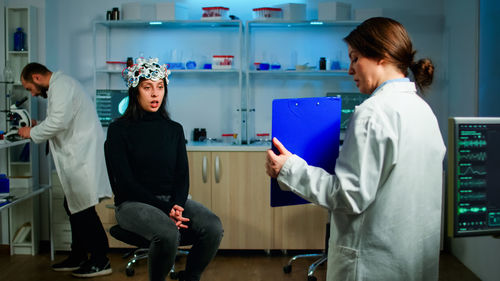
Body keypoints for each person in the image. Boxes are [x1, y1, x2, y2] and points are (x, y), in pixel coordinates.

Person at [266, 17, 446, 281]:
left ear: (382, 56)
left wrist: (289, 169)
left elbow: (348, 196)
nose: (350, 69)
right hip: (412, 262)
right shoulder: (424, 111)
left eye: (355, 58)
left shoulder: (374, 112)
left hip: (372, 265)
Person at [105, 57, 223, 281]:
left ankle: (190, 277)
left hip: (171, 201)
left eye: (160, 87)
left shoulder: (174, 130)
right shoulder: (118, 130)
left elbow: (182, 175)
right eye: (147, 87)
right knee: (168, 233)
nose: (154, 94)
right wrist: (166, 208)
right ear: (135, 90)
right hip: (132, 203)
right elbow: (126, 183)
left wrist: (176, 204)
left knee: (213, 226)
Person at [18, 63, 113, 277]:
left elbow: (58, 122)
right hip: (79, 155)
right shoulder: (61, 86)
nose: (31, 94)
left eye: (29, 88)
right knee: (74, 206)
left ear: (36, 77)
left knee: (83, 209)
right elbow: (61, 119)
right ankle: (78, 256)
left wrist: (31, 132)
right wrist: (39, 124)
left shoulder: (61, 86)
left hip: (81, 157)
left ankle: (101, 260)